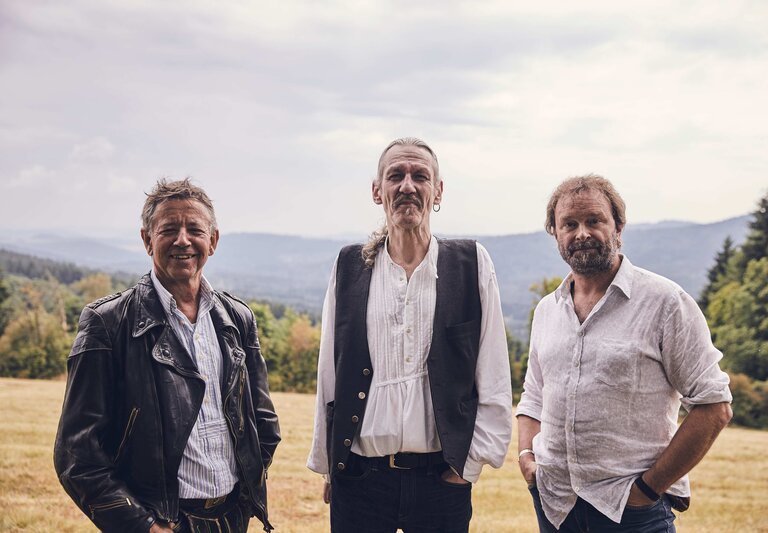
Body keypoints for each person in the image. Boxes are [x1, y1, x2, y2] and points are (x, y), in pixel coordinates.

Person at [307, 137, 512, 532]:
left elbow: (493, 371)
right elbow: (330, 372)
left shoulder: (471, 263)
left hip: (441, 481)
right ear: (377, 191)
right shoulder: (348, 265)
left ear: (438, 191)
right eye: (395, 176)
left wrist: (467, 468)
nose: (407, 186)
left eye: (420, 176)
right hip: (360, 480)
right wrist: (332, 465)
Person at [54, 178, 281, 533]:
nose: (182, 240)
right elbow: (76, 454)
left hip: (232, 518)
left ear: (213, 241)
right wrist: (142, 525)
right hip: (161, 522)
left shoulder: (237, 318)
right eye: (169, 229)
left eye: (195, 229)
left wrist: (243, 499)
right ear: (147, 240)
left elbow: (263, 424)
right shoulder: (108, 323)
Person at [516, 175, 733, 532]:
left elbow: (714, 406)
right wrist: (527, 458)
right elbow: (534, 395)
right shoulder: (547, 311)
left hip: (632, 512)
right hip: (555, 506)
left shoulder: (665, 303)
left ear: (618, 226)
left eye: (594, 220)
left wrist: (646, 490)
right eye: (569, 224)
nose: (582, 233)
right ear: (554, 233)